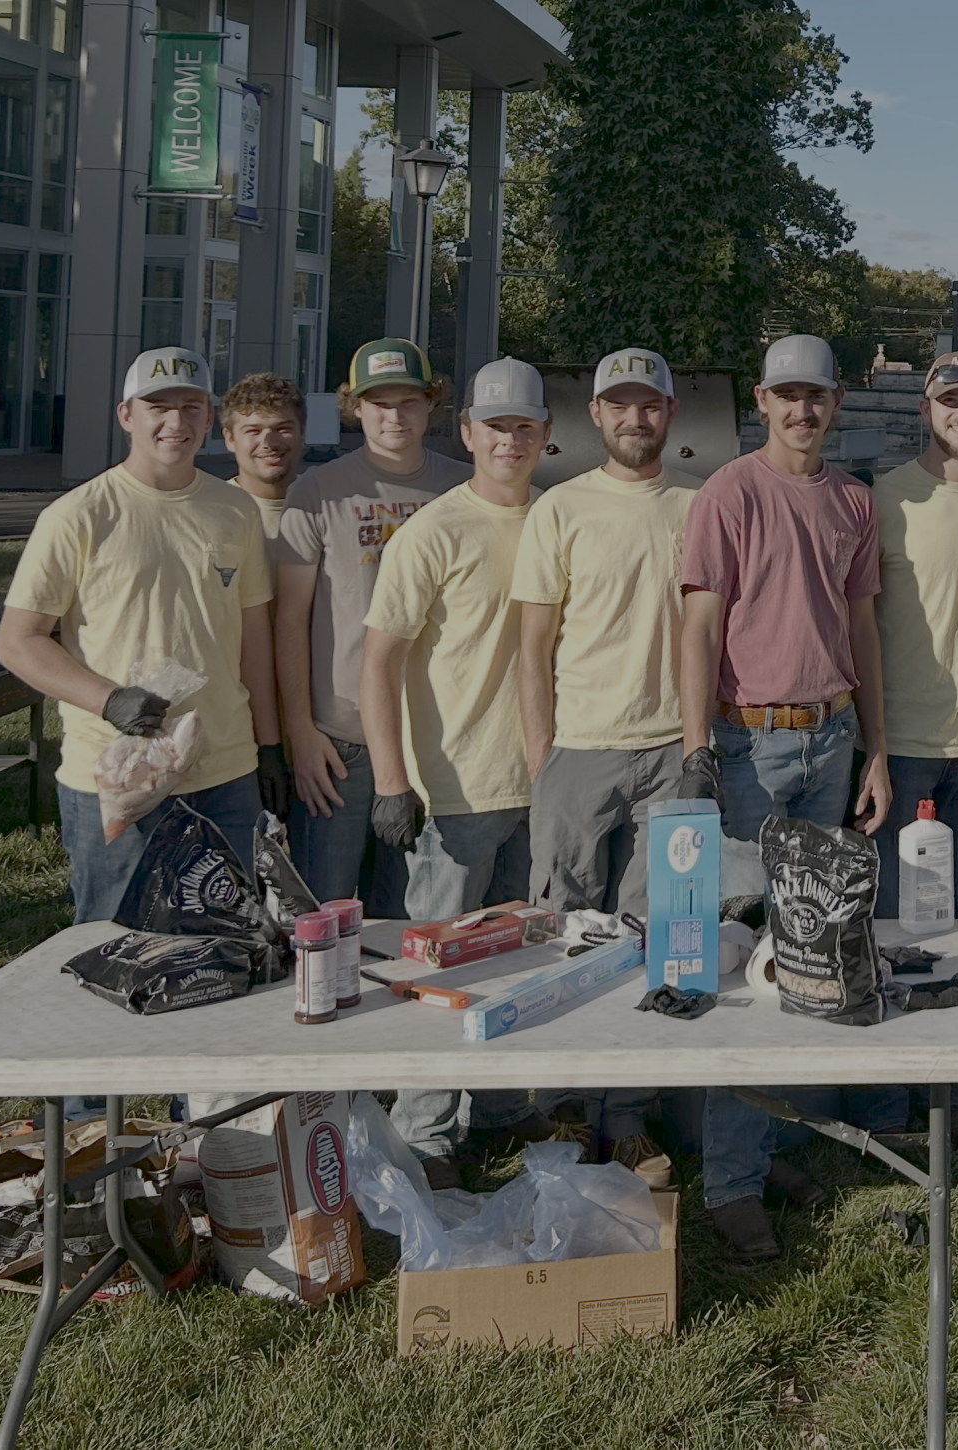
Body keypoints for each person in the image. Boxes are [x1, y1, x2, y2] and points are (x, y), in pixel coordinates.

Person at [678, 333, 894, 1261]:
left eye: (818, 396)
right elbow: (698, 626)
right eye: (787, 396)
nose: (803, 410)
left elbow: (861, 625)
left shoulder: (852, 500)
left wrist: (877, 749)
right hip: (749, 741)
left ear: (837, 402)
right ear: (761, 402)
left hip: (832, 735)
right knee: (736, 958)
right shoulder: (729, 492)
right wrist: (696, 749)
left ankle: (772, 1146)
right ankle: (729, 1182)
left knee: (808, 952)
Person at [0, 347, 285, 917]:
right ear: (126, 415)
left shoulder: (236, 511)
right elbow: (19, 641)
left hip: (226, 773)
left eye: (190, 406)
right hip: (116, 773)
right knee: (116, 944)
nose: (174, 423)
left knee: (227, 944)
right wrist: (110, 700)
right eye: (157, 406)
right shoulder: (78, 515)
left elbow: (254, 637)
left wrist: (270, 747)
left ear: (210, 418)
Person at [358, 357, 550, 1182]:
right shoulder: (434, 532)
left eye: (524, 426)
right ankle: (427, 1137)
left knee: (523, 960)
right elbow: (378, 666)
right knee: (441, 976)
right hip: (457, 789)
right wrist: (392, 780)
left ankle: (502, 1110)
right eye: (494, 426)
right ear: (467, 433)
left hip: (542, 783)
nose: (509, 440)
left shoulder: (557, 518)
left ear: (545, 435)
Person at [512, 347, 698, 1181]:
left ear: (669, 411)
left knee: (654, 939)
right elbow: (531, 646)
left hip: (668, 753)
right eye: (619, 405)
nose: (635, 418)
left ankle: (627, 1118)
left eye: (649, 404)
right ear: (595, 415)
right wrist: (541, 755)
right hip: (579, 750)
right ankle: (561, 1115)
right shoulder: (559, 511)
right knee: (564, 938)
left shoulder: (698, 507)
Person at [273, 339, 466, 911]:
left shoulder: (465, 486)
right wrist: (300, 733)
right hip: (341, 740)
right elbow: (289, 622)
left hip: (434, 735)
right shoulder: (316, 492)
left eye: (408, 400)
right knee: (322, 912)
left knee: (410, 915)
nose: (394, 415)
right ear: (353, 408)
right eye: (378, 402)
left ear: (434, 403)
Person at [870, 352, 958, 922]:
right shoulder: (885, 499)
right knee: (895, 919)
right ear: (927, 409)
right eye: (951, 402)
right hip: (901, 747)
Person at [219, 372, 306, 541]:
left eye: (283, 429)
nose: (269, 443)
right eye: (253, 431)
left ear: (302, 432)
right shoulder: (210, 508)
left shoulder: (328, 504)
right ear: (230, 439)